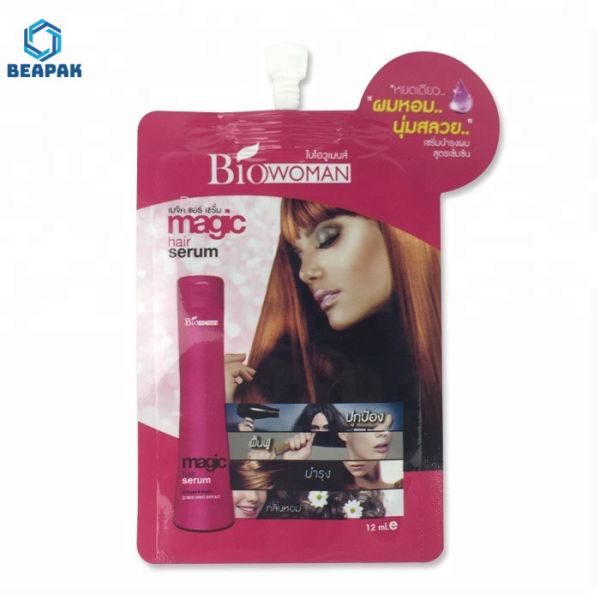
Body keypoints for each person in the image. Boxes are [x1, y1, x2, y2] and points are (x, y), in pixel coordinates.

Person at [227, 198, 442, 471]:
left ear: (397, 229)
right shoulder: (303, 378)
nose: (305, 272)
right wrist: (219, 412)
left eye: (327, 239)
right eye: (297, 254)